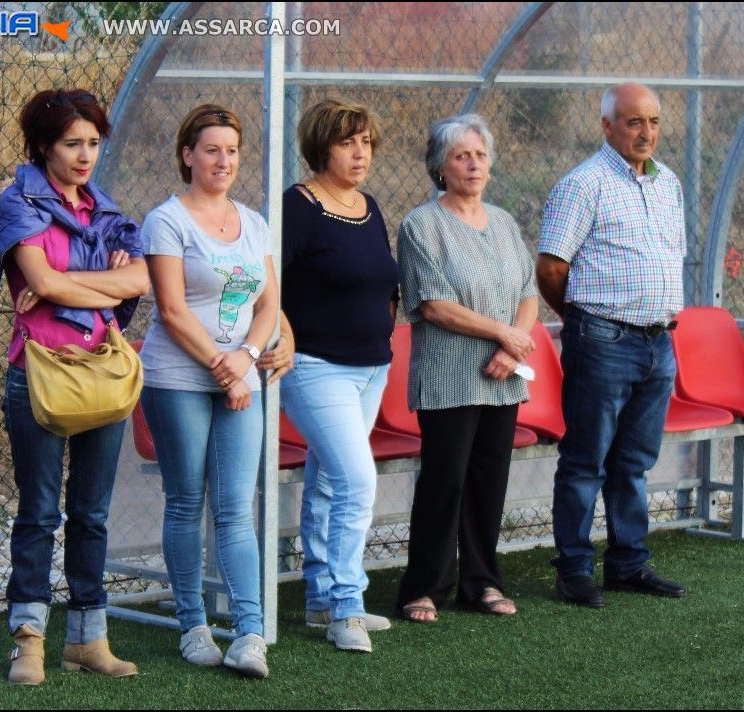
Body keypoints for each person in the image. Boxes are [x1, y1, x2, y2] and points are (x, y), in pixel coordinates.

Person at [0, 88, 149, 685]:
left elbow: (141, 279)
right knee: (38, 512)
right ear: (45, 145)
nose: (85, 156)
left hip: (102, 371)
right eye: (72, 143)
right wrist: (101, 282)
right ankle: (28, 642)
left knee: (92, 514)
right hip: (39, 376)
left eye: (94, 143)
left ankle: (87, 639)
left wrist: (63, 283)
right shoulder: (19, 202)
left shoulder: (103, 207)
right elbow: (42, 280)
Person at [138, 104, 279, 677]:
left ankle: (249, 634)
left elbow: (268, 302)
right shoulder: (165, 220)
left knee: (234, 510)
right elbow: (171, 309)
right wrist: (225, 372)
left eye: (232, 151)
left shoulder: (254, 220)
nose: (223, 161)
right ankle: (193, 626)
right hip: (178, 379)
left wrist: (244, 361)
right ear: (187, 155)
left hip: (241, 377)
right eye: (212, 150)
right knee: (185, 502)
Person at [536, 83, 687, 608]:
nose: (646, 132)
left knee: (635, 461)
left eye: (653, 122)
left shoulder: (668, 183)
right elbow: (552, 269)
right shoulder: (583, 184)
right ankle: (575, 568)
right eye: (633, 122)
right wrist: (585, 323)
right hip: (602, 339)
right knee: (585, 460)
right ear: (606, 125)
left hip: (658, 342)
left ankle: (627, 564)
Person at [395, 114, 538, 623]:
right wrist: (501, 334)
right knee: (445, 482)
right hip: (448, 379)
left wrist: (513, 348)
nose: (473, 164)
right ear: (440, 167)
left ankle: (482, 582)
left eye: (479, 155)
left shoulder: (502, 222)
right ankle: (424, 587)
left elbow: (528, 293)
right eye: (461, 156)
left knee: (487, 482)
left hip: (502, 378)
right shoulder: (421, 225)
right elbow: (433, 304)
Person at [280, 98, 400, 653]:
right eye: (348, 142)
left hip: (371, 366)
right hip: (314, 366)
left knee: (330, 481)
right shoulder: (298, 207)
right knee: (357, 481)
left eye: (367, 142)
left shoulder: (368, 206)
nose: (360, 153)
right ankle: (349, 606)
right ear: (321, 146)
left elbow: (384, 282)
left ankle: (322, 598)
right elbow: (267, 286)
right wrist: (283, 336)